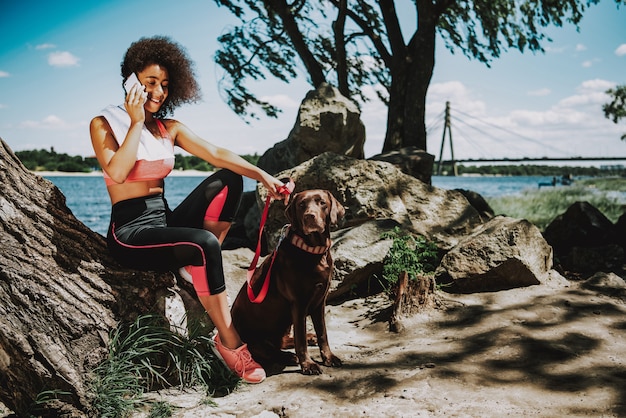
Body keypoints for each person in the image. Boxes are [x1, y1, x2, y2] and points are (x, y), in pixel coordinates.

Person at [90, 36, 287, 384]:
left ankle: (196, 270)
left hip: (162, 218)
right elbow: (118, 171)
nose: (159, 91)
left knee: (228, 180)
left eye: (165, 85)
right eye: (150, 82)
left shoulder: (169, 128)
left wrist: (263, 175)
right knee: (205, 244)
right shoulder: (104, 124)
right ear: (131, 80)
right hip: (130, 232)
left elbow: (217, 153)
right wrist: (135, 122)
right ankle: (229, 344)